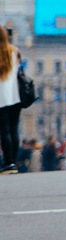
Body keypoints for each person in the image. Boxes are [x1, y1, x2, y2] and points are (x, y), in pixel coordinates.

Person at [0, 25, 21, 174]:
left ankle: (8, 162)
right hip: (15, 96)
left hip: (1, 98)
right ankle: (13, 162)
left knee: (4, 131)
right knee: (14, 131)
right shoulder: (15, 51)